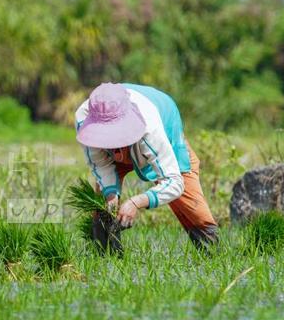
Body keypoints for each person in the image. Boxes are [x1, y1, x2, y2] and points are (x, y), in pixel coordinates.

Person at [75, 82, 218, 250]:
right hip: (117, 125)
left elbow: (174, 182)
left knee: (192, 206)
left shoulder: (150, 128)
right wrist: (111, 196)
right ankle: (106, 257)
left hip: (163, 118)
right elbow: (101, 165)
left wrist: (136, 202)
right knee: (104, 206)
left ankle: (213, 253)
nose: (111, 141)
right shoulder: (85, 121)